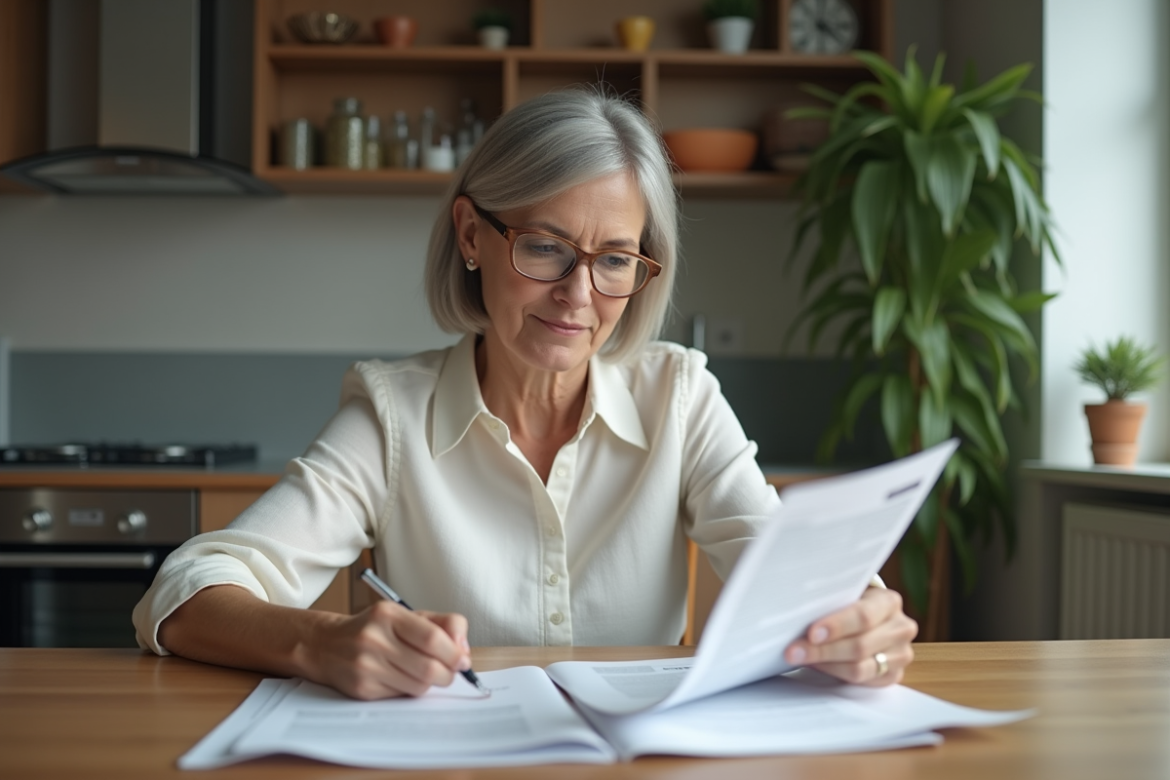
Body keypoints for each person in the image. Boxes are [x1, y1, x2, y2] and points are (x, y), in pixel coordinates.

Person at [133, 89, 917, 701]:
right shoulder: (392, 411)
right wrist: (320, 641)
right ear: (473, 236)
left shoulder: (679, 394)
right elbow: (186, 590)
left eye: (615, 259)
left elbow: (792, 576)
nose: (579, 294)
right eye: (546, 247)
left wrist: (859, 621)